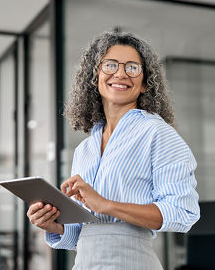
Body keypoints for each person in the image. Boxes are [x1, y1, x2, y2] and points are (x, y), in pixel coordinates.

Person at [27, 31, 200, 269]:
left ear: (145, 84)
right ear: (95, 77)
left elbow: (182, 213)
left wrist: (106, 204)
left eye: (132, 68)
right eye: (110, 65)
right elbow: (85, 235)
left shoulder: (158, 134)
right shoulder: (85, 149)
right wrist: (55, 226)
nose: (120, 73)